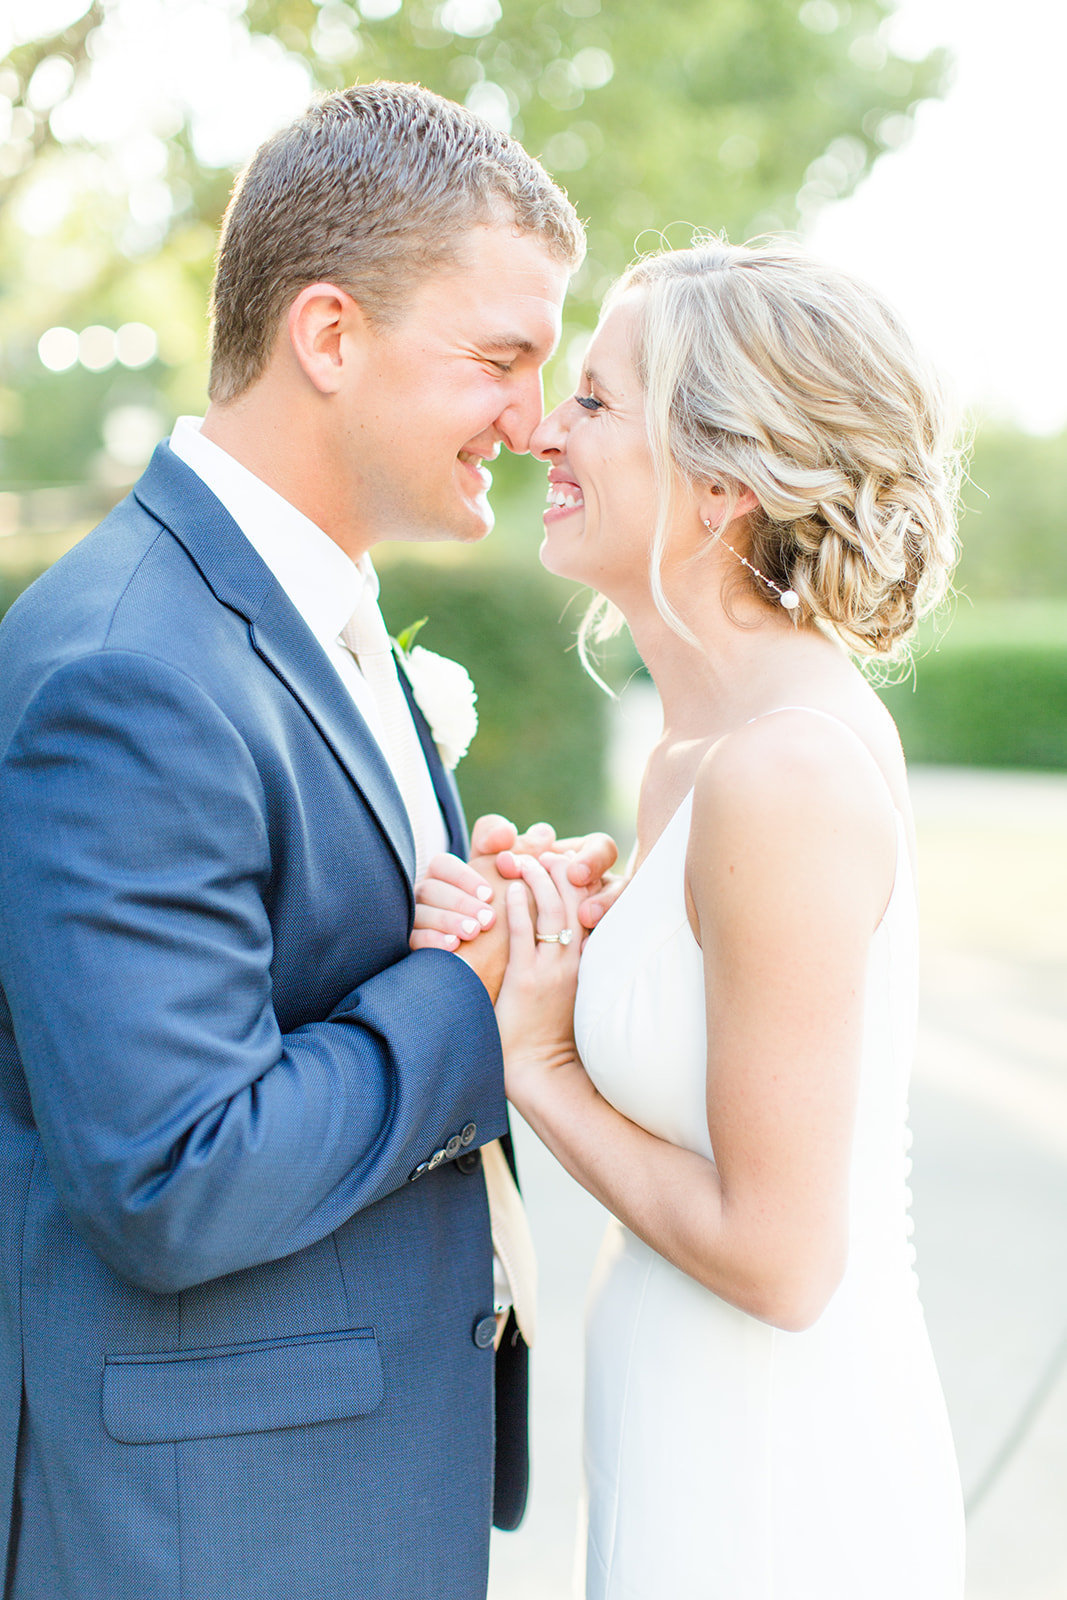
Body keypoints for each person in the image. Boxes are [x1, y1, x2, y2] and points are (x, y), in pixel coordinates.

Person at [0, 82, 618, 1600]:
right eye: (502, 359)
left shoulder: (320, 617)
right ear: (329, 336)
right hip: (218, 1532)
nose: (538, 421)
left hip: (337, 1489)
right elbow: (177, 1175)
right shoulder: (128, 669)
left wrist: (485, 917)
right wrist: (466, 993)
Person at [414, 237, 967, 1598]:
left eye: (595, 401)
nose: (545, 425)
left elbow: (780, 1261)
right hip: (679, 1442)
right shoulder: (693, 758)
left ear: (724, 479)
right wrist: (570, 938)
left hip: (782, 1482)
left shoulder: (784, 769)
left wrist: (533, 1060)